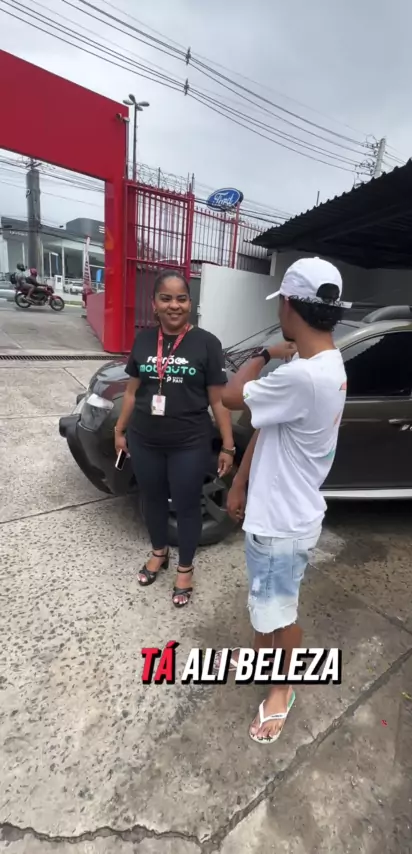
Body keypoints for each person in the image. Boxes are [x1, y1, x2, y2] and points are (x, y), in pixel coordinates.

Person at [222, 257, 348, 743]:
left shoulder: (302, 376)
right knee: (265, 606)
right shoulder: (322, 364)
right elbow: (268, 425)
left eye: (282, 305)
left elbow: (233, 395)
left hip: (281, 524)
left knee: (280, 614)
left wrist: (262, 352)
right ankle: (262, 660)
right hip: (278, 514)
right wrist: (240, 482)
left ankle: (282, 689)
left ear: (290, 306)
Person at [115, 270, 235, 607]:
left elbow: (218, 401)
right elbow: (132, 392)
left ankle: (185, 567)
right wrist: (119, 430)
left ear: (190, 303)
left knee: (186, 504)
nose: (174, 305)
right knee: (152, 499)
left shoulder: (207, 343)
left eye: (181, 298)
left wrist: (228, 445)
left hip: (189, 442)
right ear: (154, 304)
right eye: (166, 298)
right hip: (144, 438)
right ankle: (159, 553)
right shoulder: (143, 340)